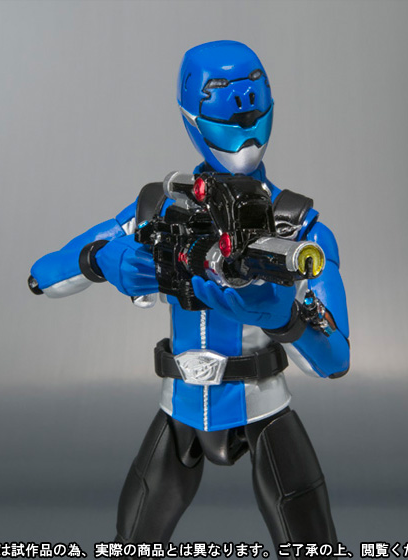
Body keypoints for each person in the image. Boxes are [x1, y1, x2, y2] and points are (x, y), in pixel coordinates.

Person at [29, 40, 350, 558]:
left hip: (261, 404)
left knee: (313, 544)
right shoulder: (161, 208)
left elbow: (335, 359)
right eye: (226, 107)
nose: (243, 120)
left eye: (252, 105)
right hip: (179, 404)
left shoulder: (298, 230)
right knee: (133, 541)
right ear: (193, 116)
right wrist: (103, 260)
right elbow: (43, 275)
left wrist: (285, 321)